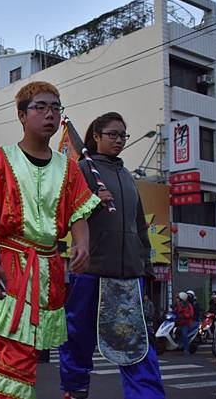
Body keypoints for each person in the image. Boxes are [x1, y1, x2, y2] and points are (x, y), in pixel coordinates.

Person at [0, 81, 99, 399]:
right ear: (21, 115)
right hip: (11, 266)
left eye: (55, 107)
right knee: (13, 359)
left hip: (50, 273)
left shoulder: (69, 169)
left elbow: (79, 215)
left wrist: (82, 244)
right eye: (41, 107)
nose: (50, 114)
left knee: (21, 360)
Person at [59, 112, 164, 399]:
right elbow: (63, 214)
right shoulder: (80, 170)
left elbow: (139, 226)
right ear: (96, 136)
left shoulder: (128, 178)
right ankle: (75, 389)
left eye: (122, 135)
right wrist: (93, 202)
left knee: (136, 345)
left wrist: (145, 266)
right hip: (90, 269)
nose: (119, 140)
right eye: (113, 134)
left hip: (129, 276)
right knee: (77, 337)